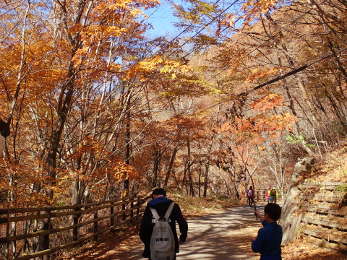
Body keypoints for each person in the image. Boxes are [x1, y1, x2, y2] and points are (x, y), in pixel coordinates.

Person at [139, 188, 188, 260]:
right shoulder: (174, 206)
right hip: (170, 244)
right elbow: (182, 223)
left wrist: (147, 243)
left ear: (154, 195)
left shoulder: (150, 207)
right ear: (165, 196)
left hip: (153, 246)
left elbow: (143, 227)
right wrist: (182, 237)